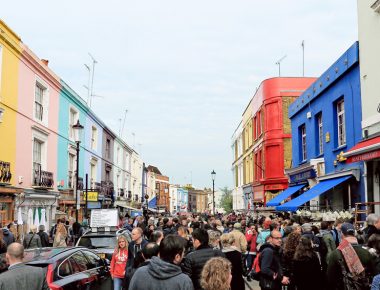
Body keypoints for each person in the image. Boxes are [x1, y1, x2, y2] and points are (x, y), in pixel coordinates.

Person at [129, 235, 194, 290]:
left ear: (159, 253)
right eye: (183, 253)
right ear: (177, 257)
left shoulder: (140, 272)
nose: (183, 256)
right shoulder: (184, 281)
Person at [327, 222, 375, 290]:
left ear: (342, 234)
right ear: (354, 234)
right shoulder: (367, 253)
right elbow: (374, 274)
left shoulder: (335, 254)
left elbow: (330, 278)